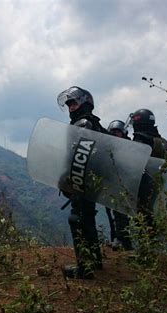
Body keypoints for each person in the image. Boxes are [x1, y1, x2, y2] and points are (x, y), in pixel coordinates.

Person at [57, 86, 106, 279]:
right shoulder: (93, 124)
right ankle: (95, 261)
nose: (71, 107)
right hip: (91, 183)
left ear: (85, 103)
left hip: (82, 181)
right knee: (87, 218)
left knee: (77, 219)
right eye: (69, 104)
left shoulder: (83, 125)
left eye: (74, 103)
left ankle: (84, 268)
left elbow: (80, 157)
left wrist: (70, 180)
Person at [129, 109, 167, 228]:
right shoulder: (161, 141)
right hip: (158, 182)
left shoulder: (141, 139)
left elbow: (132, 162)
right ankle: (152, 241)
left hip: (143, 183)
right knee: (151, 214)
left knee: (142, 216)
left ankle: (146, 243)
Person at [105, 120, 133, 250]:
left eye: (117, 132)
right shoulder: (109, 147)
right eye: (113, 132)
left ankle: (125, 242)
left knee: (122, 215)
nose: (115, 134)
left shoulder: (130, 146)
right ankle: (117, 239)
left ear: (123, 133)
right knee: (115, 214)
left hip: (126, 186)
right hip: (113, 185)